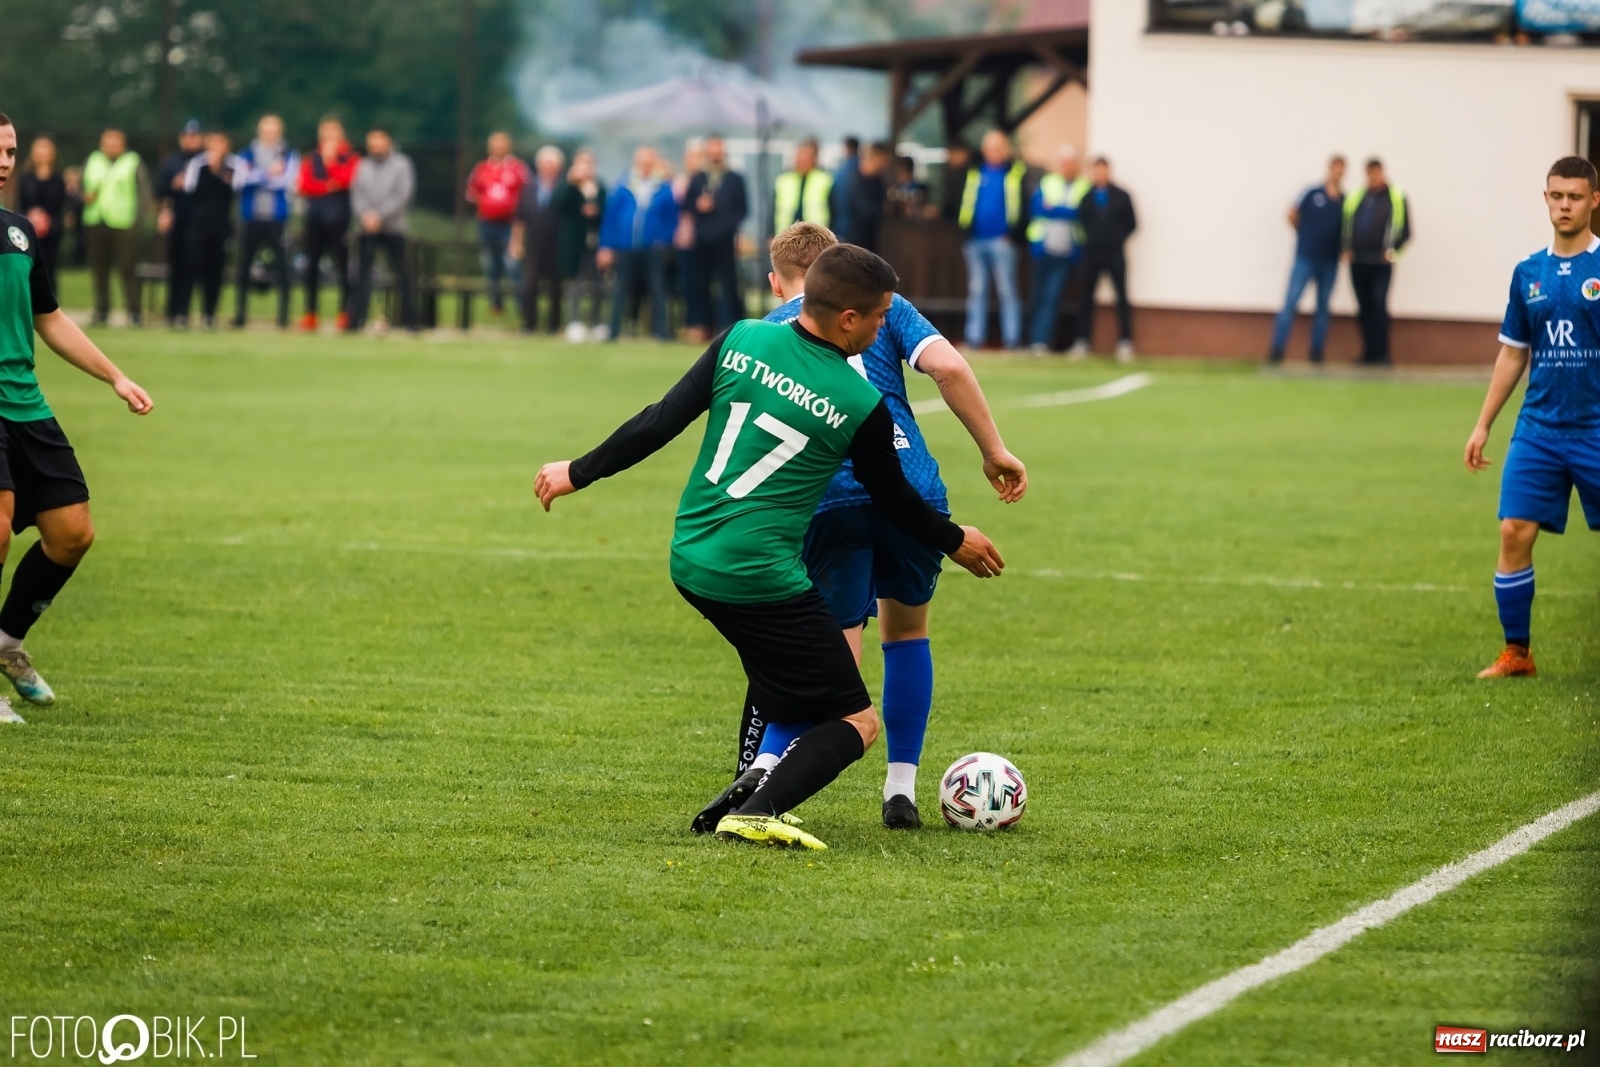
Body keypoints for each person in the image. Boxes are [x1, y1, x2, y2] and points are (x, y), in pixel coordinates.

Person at [532, 243, 1005, 849]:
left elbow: (661, 418)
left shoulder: (741, 338)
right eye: (881, 315)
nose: (886, 325)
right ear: (849, 319)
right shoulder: (859, 402)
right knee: (855, 720)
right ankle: (758, 811)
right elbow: (893, 498)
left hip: (692, 557)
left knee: (788, 679)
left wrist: (578, 471)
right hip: (760, 575)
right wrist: (955, 539)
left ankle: (750, 783)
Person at [702, 221, 1027, 830]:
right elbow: (949, 367)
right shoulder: (887, 306)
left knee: (830, 659)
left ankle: (766, 769)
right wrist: (993, 450)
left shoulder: (770, 330)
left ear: (778, 282)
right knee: (907, 633)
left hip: (832, 499)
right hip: (913, 489)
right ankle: (900, 790)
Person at [0, 113, 155, 725]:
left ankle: (7, 642)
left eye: (10, 150)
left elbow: (50, 318)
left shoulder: (18, 233)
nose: (5, 161)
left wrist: (115, 376)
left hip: (25, 403)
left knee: (72, 533)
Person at [1462, 156, 1600, 680]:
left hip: (1595, 427)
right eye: (1556, 196)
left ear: (1593, 201)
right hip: (1539, 429)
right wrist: (1483, 424)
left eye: (1575, 197)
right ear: (1546, 199)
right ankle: (1517, 653)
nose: (1565, 205)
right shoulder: (1528, 272)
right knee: (1514, 531)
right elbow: (1513, 353)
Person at [1270, 155, 1346, 364]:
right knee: (1290, 303)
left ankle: (1316, 352)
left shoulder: (1343, 200)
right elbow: (1292, 214)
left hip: (1329, 261)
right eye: (1335, 167)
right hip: (1306, 257)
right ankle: (1277, 349)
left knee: (1323, 307)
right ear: (1329, 168)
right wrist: (1303, 234)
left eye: (1341, 169)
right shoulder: (1312, 193)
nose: (1338, 172)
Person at [958, 130, 1029, 351]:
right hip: (975, 240)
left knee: (1007, 289)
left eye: (998, 147)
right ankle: (974, 337)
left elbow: (1024, 206)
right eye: (990, 148)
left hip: (1003, 241)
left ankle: (1012, 339)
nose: (994, 152)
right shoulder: (974, 172)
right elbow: (963, 202)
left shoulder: (1016, 173)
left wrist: (1013, 234)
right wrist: (965, 232)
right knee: (977, 289)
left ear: (1006, 150)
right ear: (984, 150)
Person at [598, 145, 677, 342]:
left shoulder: (663, 187)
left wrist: (663, 239)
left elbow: (671, 218)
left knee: (657, 289)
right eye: (642, 162)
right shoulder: (623, 185)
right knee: (620, 289)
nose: (645, 166)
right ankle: (613, 330)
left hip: (652, 248)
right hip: (625, 246)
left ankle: (661, 331)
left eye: (649, 162)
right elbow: (610, 218)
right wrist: (606, 245)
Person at [1343, 157, 1411, 366]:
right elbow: (1346, 223)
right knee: (1363, 307)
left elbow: (1405, 230)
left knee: (1378, 304)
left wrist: (1393, 252)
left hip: (1381, 263)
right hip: (1358, 260)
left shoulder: (1395, 196)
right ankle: (1368, 352)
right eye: (1370, 172)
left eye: (1377, 172)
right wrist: (1346, 247)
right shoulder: (1357, 196)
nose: (1374, 176)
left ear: (1382, 172)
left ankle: (1382, 354)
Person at [348, 127, 417, 334]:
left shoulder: (402, 165)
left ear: (388, 141)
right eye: (372, 142)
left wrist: (380, 216)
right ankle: (356, 319)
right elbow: (357, 194)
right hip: (367, 228)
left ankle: (410, 321)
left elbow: (402, 195)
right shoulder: (363, 165)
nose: (375, 146)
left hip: (393, 227)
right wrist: (366, 216)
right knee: (363, 273)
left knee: (403, 274)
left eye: (379, 141)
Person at [231, 114, 297, 329]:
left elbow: (287, 182)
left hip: (277, 219)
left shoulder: (288, 154)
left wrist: (258, 176)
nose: (270, 134)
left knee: (282, 267)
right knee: (244, 266)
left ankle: (283, 317)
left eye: (273, 130)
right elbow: (240, 180)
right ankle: (240, 315)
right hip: (251, 218)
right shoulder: (247, 154)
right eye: (266, 130)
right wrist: (267, 174)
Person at [1070, 157, 1138, 361]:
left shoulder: (1122, 196)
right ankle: (1082, 340)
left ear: (1109, 171)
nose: (1100, 174)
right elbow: (1081, 221)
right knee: (1086, 298)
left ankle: (1125, 341)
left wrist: (1116, 238)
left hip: (1115, 253)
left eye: (1103, 170)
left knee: (1122, 297)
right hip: (1092, 253)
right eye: (1096, 170)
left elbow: (1132, 223)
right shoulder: (1086, 197)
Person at [1026, 145, 1090, 353]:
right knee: (1037, 295)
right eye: (1064, 163)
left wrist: (1054, 209)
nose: (1067, 167)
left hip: (1067, 251)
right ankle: (1033, 340)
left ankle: (1042, 340)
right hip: (1043, 248)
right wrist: (1067, 211)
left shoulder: (1084, 186)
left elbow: (1082, 213)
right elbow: (1038, 208)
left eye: (1071, 164)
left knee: (1052, 297)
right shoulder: (1048, 182)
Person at [171, 131, 239, 330]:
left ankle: (209, 314)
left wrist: (218, 172)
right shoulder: (197, 164)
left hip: (221, 226)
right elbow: (190, 190)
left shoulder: (234, 165)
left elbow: (235, 189)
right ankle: (182, 313)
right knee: (190, 268)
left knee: (215, 271)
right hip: (197, 225)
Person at [297, 117, 359, 332]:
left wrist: (331, 164)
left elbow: (348, 179)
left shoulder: (350, 158)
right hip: (314, 220)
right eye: (326, 133)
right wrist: (329, 186)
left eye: (334, 133)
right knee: (311, 267)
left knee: (343, 267)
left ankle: (344, 313)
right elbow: (305, 185)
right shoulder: (311, 158)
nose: (329, 137)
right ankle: (310, 313)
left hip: (339, 221)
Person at [81, 128, 148, 327]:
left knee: (127, 269)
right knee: (99, 269)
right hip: (95, 220)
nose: (110, 147)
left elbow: (144, 193)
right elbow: (79, 187)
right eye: (107, 143)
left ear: (123, 145)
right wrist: (83, 197)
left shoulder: (133, 162)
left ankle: (134, 312)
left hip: (124, 223)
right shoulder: (93, 160)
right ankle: (102, 311)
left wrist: (137, 221)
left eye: (114, 143)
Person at [686, 135, 748, 333]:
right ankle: (703, 326)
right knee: (701, 284)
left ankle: (734, 327)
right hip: (702, 241)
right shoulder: (699, 178)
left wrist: (724, 226)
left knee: (729, 284)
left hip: (724, 241)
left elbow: (742, 210)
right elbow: (687, 204)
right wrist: (698, 206)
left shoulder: (734, 179)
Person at [465, 132, 530, 319]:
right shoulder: (482, 168)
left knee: (512, 264)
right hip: (487, 223)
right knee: (490, 264)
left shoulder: (518, 168)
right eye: (495, 144)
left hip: (512, 224)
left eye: (502, 144)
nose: (499, 148)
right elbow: (472, 193)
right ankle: (496, 303)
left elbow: (528, 193)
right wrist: (487, 205)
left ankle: (522, 305)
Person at [510, 145, 564, 334]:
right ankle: (529, 324)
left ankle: (553, 325)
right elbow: (520, 219)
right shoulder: (529, 188)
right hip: (533, 243)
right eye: (545, 163)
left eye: (552, 164)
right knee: (530, 285)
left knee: (556, 286)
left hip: (557, 243)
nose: (548, 167)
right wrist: (516, 242)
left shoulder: (564, 188)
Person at [155, 121, 203, 327]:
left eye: (194, 136)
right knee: (175, 266)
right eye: (187, 136)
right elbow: (160, 190)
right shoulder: (172, 162)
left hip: (198, 222)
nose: (191, 140)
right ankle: (172, 310)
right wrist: (173, 186)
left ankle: (185, 311)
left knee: (193, 268)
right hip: (178, 220)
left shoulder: (205, 162)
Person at [555, 150, 605, 343]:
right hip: (574, 244)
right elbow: (557, 203)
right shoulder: (568, 187)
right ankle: (574, 322)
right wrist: (571, 183)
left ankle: (596, 322)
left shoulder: (599, 187)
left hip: (595, 243)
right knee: (574, 285)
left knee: (597, 286)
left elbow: (607, 210)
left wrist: (595, 211)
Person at [16, 136, 66, 294]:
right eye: (39, 148)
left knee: (49, 268)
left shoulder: (58, 179)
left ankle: (50, 301)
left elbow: (61, 205)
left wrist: (46, 221)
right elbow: (21, 204)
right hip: (28, 231)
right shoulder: (25, 178)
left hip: (52, 231)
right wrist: (33, 218)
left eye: (45, 148)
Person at [674, 140, 706, 343]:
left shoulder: (705, 182)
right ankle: (690, 324)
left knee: (700, 285)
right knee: (687, 285)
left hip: (702, 241)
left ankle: (701, 325)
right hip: (683, 240)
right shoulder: (680, 181)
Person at [773, 138, 832, 231]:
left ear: (813, 158)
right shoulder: (784, 180)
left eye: (806, 155)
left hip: (815, 234)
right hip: (786, 232)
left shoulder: (825, 179)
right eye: (799, 154)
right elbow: (774, 209)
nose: (802, 158)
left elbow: (834, 209)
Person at [847, 142, 891, 253]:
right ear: (875, 158)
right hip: (856, 241)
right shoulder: (856, 181)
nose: (884, 165)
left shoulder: (877, 181)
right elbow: (865, 210)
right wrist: (884, 209)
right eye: (883, 160)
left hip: (872, 240)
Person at [830, 136, 860, 240]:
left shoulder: (842, 171)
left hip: (842, 225)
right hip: (855, 227)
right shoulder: (860, 169)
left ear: (846, 148)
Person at [886, 155, 930, 219]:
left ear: (910, 172)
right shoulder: (893, 190)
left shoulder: (921, 188)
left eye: (901, 172)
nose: (898, 176)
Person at [939, 142, 973, 222]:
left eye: (953, 153)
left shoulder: (972, 175)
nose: (949, 157)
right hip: (951, 220)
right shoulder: (949, 174)